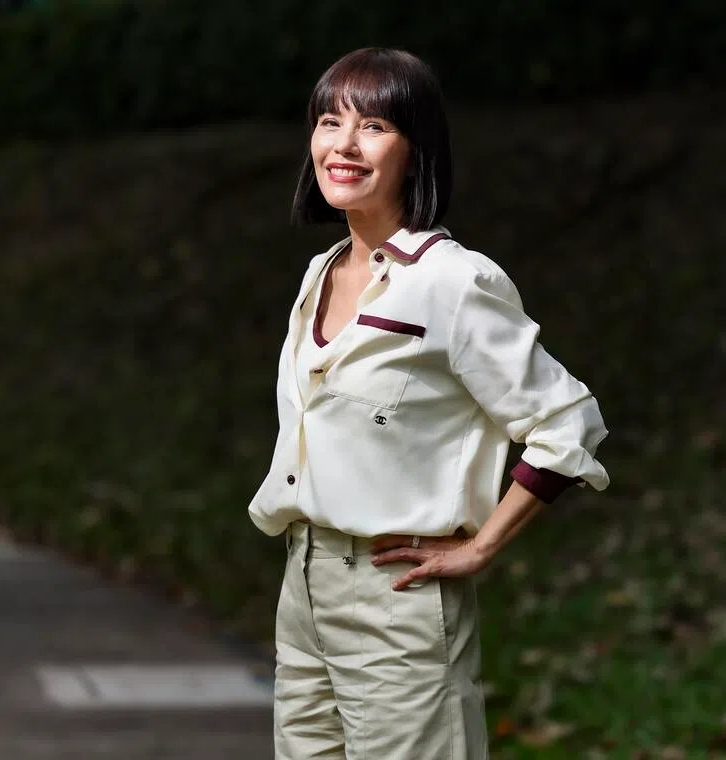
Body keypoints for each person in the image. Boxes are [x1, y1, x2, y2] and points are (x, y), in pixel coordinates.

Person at [248, 47, 610, 760]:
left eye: (373, 126)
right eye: (329, 122)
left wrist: (480, 547)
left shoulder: (452, 281)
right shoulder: (320, 273)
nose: (343, 146)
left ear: (416, 152)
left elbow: (567, 422)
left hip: (396, 598)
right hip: (304, 587)